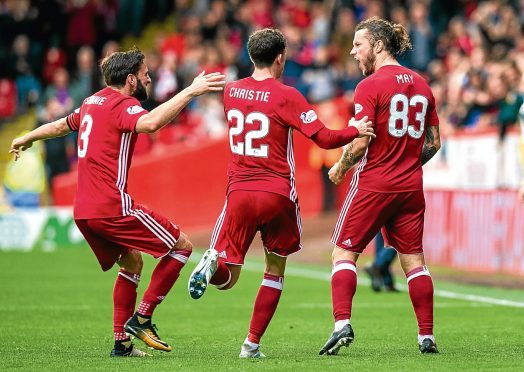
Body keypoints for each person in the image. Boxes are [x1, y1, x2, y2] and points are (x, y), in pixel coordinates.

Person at [9, 48, 225, 357]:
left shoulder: (91, 102)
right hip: (111, 206)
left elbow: (59, 126)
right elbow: (150, 124)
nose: (148, 76)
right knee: (182, 247)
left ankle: (122, 343)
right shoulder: (125, 105)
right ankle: (143, 317)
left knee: (132, 261)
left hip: (83, 211)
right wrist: (191, 90)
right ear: (130, 79)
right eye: (145, 72)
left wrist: (27, 137)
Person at [186, 28, 375, 359]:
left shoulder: (231, 92)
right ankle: (251, 344)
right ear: (280, 58)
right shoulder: (287, 96)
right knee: (274, 270)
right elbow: (324, 138)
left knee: (228, 278)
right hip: (277, 193)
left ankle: (211, 264)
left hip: (239, 193)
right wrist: (354, 130)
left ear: (250, 57)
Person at [318, 17, 441, 356]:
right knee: (414, 261)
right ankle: (426, 336)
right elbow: (434, 142)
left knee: (344, 253)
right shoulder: (422, 84)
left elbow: (360, 140)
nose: (353, 51)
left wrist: (341, 167)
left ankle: (341, 324)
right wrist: (408, 165)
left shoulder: (369, 86)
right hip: (411, 186)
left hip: (374, 182)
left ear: (378, 45)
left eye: (358, 45)